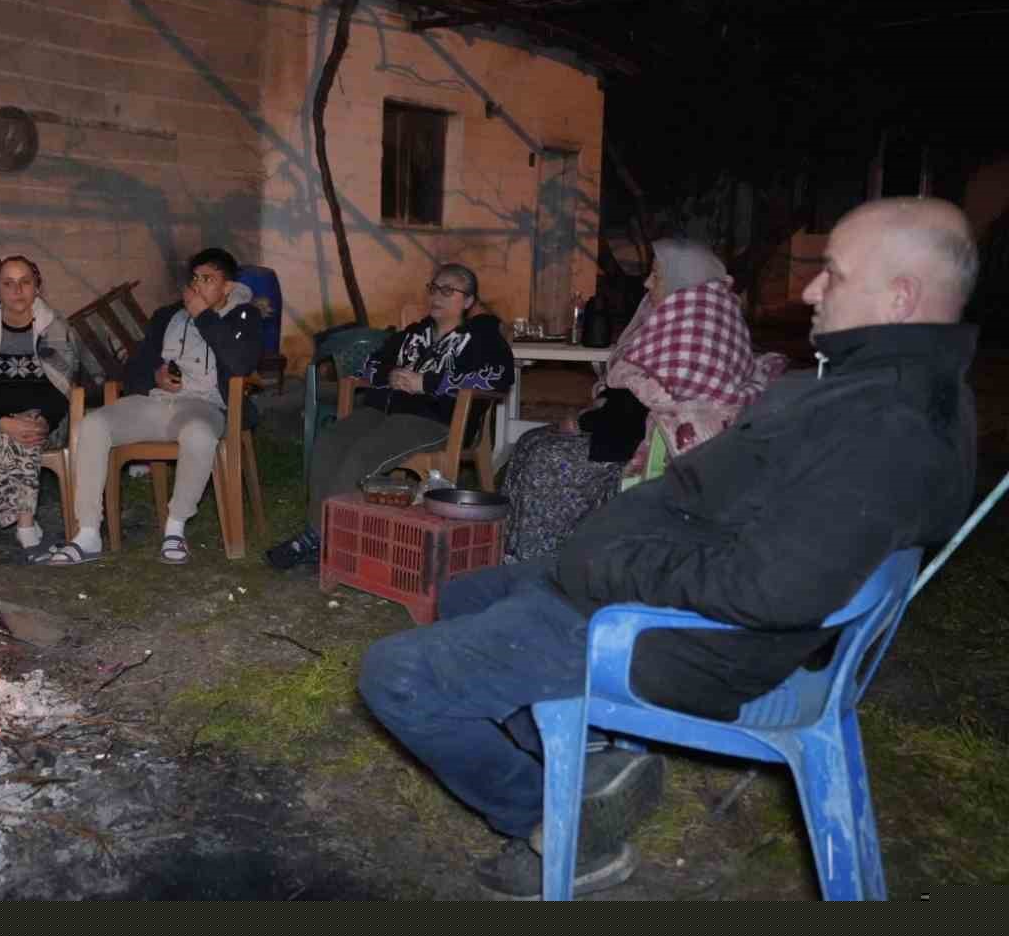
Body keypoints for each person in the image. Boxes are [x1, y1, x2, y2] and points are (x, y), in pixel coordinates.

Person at [357, 197, 978, 899]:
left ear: (899, 297)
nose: (808, 289)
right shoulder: (874, 390)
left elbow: (770, 589)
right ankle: (583, 754)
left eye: (831, 274)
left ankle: (555, 820)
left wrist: (608, 566)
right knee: (467, 592)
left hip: (672, 637)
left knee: (395, 674)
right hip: (654, 589)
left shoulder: (885, 425)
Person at [501, 238, 786, 563]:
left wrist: (582, 422)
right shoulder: (710, 314)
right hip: (641, 432)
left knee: (545, 455)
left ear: (682, 278)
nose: (647, 282)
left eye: (657, 274)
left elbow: (645, 407)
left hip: (658, 452)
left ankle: (540, 559)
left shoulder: (693, 328)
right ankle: (513, 549)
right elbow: (636, 396)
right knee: (532, 440)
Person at [266, 264, 515, 570]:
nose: (437, 295)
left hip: (435, 419)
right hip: (383, 410)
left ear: (467, 301)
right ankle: (322, 534)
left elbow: (497, 378)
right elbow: (371, 365)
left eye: (448, 290)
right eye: (434, 288)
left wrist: (427, 383)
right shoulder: (413, 333)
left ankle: (327, 541)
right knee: (330, 442)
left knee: (363, 455)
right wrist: (392, 374)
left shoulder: (483, 338)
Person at [38, 247, 262, 565]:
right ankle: (87, 533)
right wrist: (155, 377)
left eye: (208, 279)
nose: (197, 286)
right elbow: (133, 370)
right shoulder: (168, 316)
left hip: (204, 406)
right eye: (195, 278)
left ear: (226, 287)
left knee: (199, 435)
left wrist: (205, 317)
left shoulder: (245, 316)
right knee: (92, 425)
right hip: (155, 403)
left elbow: (241, 364)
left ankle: (175, 528)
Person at [0, 255, 81, 555]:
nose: (17, 290)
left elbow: (62, 386)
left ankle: (23, 524)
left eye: (25, 282)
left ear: (37, 287)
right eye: (7, 284)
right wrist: (1, 420)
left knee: (29, 434)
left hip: (42, 414)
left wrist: (43, 419)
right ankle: (23, 521)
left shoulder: (56, 325)